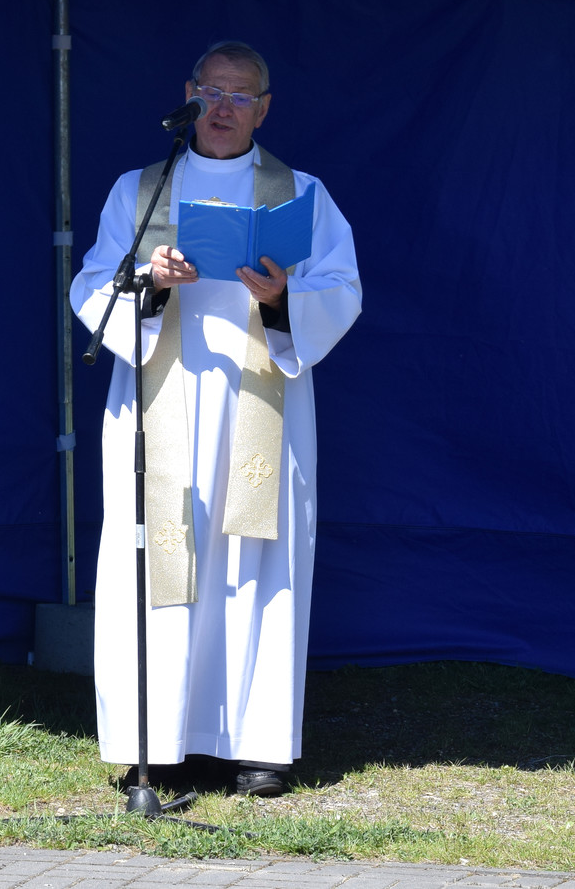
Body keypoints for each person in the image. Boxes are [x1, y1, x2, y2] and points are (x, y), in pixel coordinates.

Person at [69, 40, 361, 796]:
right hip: (162, 403)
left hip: (259, 403)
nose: (225, 108)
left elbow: (342, 288)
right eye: (213, 91)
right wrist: (152, 282)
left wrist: (280, 299)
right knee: (155, 557)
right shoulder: (139, 190)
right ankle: (152, 739)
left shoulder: (303, 192)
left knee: (258, 563)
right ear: (189, 93)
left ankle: (257, 743)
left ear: (264, 109)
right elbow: (93, 284)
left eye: (242, 95)